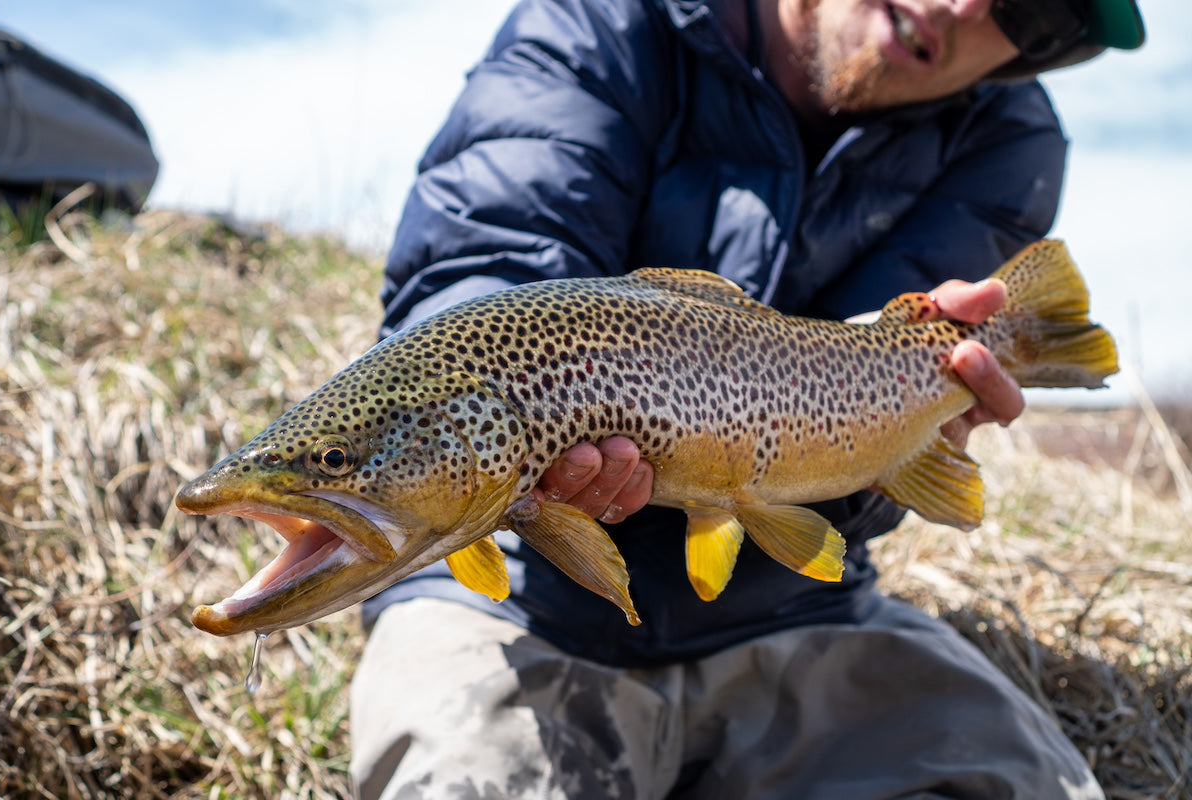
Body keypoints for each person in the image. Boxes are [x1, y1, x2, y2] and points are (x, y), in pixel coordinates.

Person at [350, 0, 1145, 797]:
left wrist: (902, 433)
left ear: (1040, 53)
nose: (963, 5)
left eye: (1033, 8)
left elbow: (861, 421)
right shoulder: (603, 19)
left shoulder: (1006, 137)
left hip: (797, 614)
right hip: (521, 603)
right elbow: (477, 288)